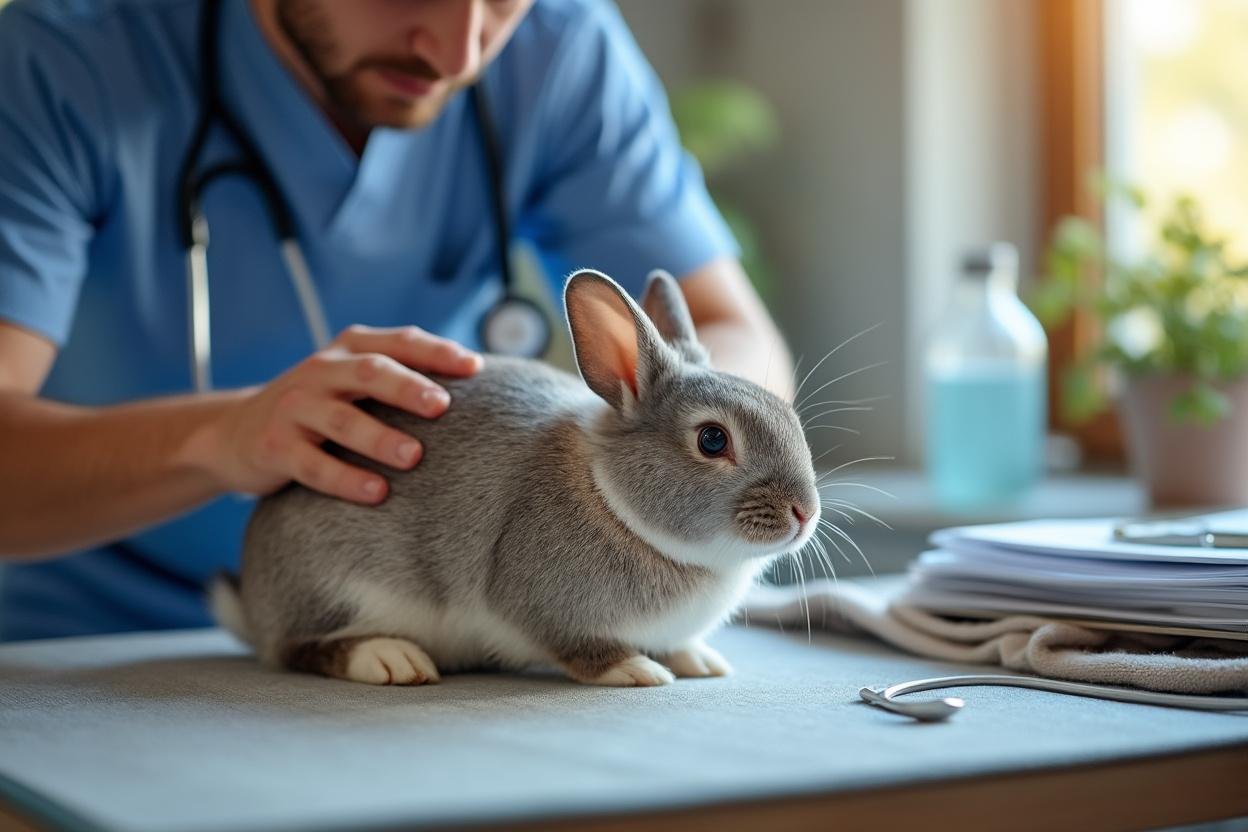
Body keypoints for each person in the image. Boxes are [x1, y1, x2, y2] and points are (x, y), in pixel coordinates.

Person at [0, 0, 793, 641]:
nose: (457, 53)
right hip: (77, 648)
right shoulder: (57, 66)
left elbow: (736, 338)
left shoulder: (561, 48)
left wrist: (646, 428)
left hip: (441, 648)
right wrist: (223, 438)